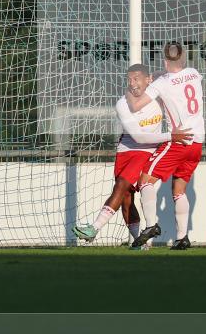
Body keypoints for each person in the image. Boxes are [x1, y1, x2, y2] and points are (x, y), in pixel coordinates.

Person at [72, 64, 191, 245]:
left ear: (147, 79)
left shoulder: (157, 96)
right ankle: (139, 242)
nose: (132, 83)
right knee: (126, 198)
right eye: (129, 79)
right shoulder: (122, 103)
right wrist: (171, 136)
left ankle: (94, 228)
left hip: (147, 151)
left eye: (136, 79)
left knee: (121, 185)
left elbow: (170, 79)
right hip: (127, 150)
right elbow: (138, 137)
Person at [125, 42, 205, 250]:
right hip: (197, 142)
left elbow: (136, 105)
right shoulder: (194, 73)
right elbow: (173, 75)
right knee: (179, 189)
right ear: (184, 58)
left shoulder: (161, 84)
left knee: (145, 180)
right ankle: (181, 237)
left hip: (179, 140)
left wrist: (132, 89)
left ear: (164, 60)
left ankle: (151, 226)